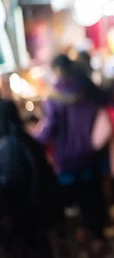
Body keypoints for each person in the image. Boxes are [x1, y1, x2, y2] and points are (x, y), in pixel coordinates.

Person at [33, 54, 110, 255]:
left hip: (66, 161)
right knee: (92, 198)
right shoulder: (86, 88)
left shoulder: (54, 96)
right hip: (91, 156)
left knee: (71, 203)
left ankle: (79, 238)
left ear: (57, 70)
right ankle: (98, 236)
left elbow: (49, 128)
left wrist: (33, 139)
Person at [0, 99, 63, 258]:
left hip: (25, 219)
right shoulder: (27, 140)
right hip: (40, 215)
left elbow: (12, 185)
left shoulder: (9, 146)